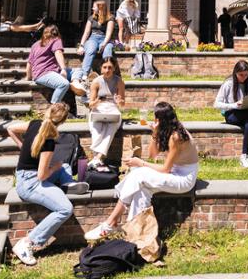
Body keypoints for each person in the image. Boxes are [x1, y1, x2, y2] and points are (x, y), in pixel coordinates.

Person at [85, 102, 199, 240]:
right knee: (141, 190)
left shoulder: (176, 136)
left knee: (138, 173)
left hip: (184, 178)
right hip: (174, 172)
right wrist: (154, 133)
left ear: (161, 119)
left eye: (155, 118)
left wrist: (141, 163)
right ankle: (134, 233)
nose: (154, 120)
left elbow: (165, 169)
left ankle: (111, 222)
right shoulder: (169, 130)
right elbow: (153, 155)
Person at [8, 102, 89, 265]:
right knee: (65, 209)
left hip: (24, 175)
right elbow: (42, 175)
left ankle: (67, 184)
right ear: (63, 121)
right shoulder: (49, 140)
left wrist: (23, 146)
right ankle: (27, 243)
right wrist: (55, 167)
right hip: (30, 184)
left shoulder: (34, 124)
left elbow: (10, 128)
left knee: (64, 165)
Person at [85, 56, 125, 169]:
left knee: (110, 130)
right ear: (101, 68)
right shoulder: (96, 82)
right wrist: (98, 101)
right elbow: (90, 104)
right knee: (96, 130)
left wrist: (119, 101)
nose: (107, 70)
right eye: (105, 67)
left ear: (114, 68)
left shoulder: (119, 82)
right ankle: (98, 158)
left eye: (110, 68)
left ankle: (96, 158)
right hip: (98, 108)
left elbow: (122, 104)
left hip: (112, 108)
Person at [25, 24, 73, 113]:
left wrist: (28, 77)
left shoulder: (35, 44)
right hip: (45, 73)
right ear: (56, 33)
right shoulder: (56, 40)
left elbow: (29, 63)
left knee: (76, 71)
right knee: (64, 84)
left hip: (38, 74)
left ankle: (77, 82)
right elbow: (58, 52)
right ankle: (53, 109)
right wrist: (63, 69)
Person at [76, 0, 115, 79]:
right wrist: (81, 45)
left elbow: (109, 33)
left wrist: (104, 43)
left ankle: (107, 73)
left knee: (108, 49)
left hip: (105, 39)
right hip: (93, 38)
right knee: (91, 49)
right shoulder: (91, 18)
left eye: (94, 7)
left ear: (100, 8)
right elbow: (86, 32)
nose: (92, 8)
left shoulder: (110, 18)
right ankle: (84, 74)